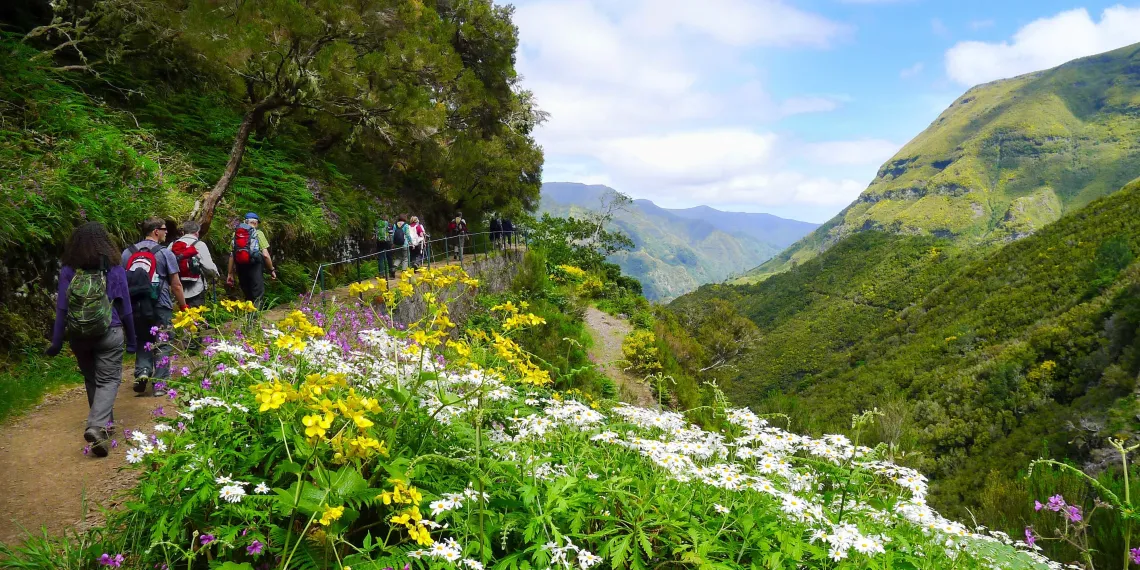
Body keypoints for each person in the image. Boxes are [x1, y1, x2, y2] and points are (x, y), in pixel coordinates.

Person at [47, 222, 137, 456]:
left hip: (79, 336)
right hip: (110, 331)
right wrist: (133, 340)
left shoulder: (69, 270)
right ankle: (97, 426)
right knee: (108, 380)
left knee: (92, 379)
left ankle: (104, 427)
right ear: (104, 242)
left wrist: (56, 342)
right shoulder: (114, 268)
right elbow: (125, 306)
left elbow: (62, 309)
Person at [122, 217, 186, 396]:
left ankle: (142, 372)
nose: (166, 233)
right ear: (156, 231)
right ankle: (160, 384)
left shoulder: (127, 252)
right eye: (164, 229)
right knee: (163, 340)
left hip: (136, 303)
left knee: (143, 338)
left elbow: (121, 281)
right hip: (161, 302)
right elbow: (176, 284)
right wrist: (183, 307)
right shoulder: (165, 253)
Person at [226, 212, 277, 307]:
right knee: (257, 292)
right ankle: (254, 318)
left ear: (244, 222)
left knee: (247, 291)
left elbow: (232, 255)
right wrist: (271, 269)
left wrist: (230, 273)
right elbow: (265, 255)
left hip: (240, 266)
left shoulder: (236, 234)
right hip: (255, 265)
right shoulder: (258, 233)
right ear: (256, 223)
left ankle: (248, 316)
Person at [172, 221, 220, 308]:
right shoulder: (200, 245)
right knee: (195, 317)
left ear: (183, 232)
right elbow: (209, 266)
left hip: (177, 290)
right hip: (196, 288)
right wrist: (215, 274)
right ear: (197, 232)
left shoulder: (173, 244)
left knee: (180, 318)